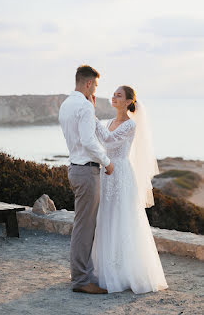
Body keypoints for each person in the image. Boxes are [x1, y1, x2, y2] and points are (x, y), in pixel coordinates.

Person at [90, 86, 168, 294]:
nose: (113, 97)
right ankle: (107, 270)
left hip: (122, 173)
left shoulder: (130, 125)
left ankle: (127, 272)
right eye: (114, 94)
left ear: (128, 102)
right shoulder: (109, 123)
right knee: (107, 217)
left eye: (119, 95)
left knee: (124, 218)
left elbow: (108, 140)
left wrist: (93, 117)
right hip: (107, 172)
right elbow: (102, 142)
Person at [59, 65, 114, 294]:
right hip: (86, 171)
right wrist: (107, 161)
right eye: (96, 85)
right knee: (85, 227)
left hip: (75, 168)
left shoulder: (66, 104)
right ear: (89, 83)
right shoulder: (82, 105)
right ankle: (81, 280)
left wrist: (91, 112)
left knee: (83, 225)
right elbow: (89, 141)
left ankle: (82, 274)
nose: (96, 90)